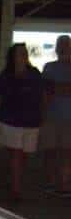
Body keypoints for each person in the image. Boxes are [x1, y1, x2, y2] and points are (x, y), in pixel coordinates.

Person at [0, 43, 44, 201]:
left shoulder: (34, 74)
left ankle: (15, 178)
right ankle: (16, 188)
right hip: (10, 120)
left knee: (25, 154)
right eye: (20, 53)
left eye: (25, 52)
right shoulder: (6, 75)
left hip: (31, 120)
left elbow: (42, 95)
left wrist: (42, 114)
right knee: (16, 152)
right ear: (13, 56)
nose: (23, 55)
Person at [40, 34, 71, 196]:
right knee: (49, 151)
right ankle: (51, 182)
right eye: (61, 45)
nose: (63, 48)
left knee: (67, 152)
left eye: (66, 45)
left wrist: (55, 88)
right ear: (57, 49)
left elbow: (52, 89)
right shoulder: (49, 67)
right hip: (50, 116)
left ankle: (65, 184)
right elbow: (43, 90)